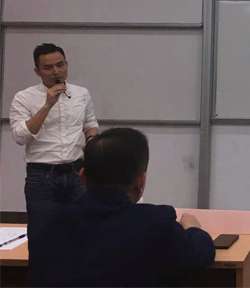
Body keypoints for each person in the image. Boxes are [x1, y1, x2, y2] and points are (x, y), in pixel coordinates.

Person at [28, 127, 216, 288]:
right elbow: (201, 253)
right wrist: (192, 228)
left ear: (82, 176)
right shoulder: (155, 223)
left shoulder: (46, 225)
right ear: (140, 182)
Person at [10, 43, 99, 216]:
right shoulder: (24, 97)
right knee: (42, 227)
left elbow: (90, 124)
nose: (56, 71)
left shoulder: (82, 93)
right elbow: (20, 137)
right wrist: (47, 105)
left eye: (60, 65)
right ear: (37, 71)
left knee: (82, 224)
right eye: (48, 67)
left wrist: (91, 140)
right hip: (41, 174)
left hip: (77, 170)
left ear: (67, 64)